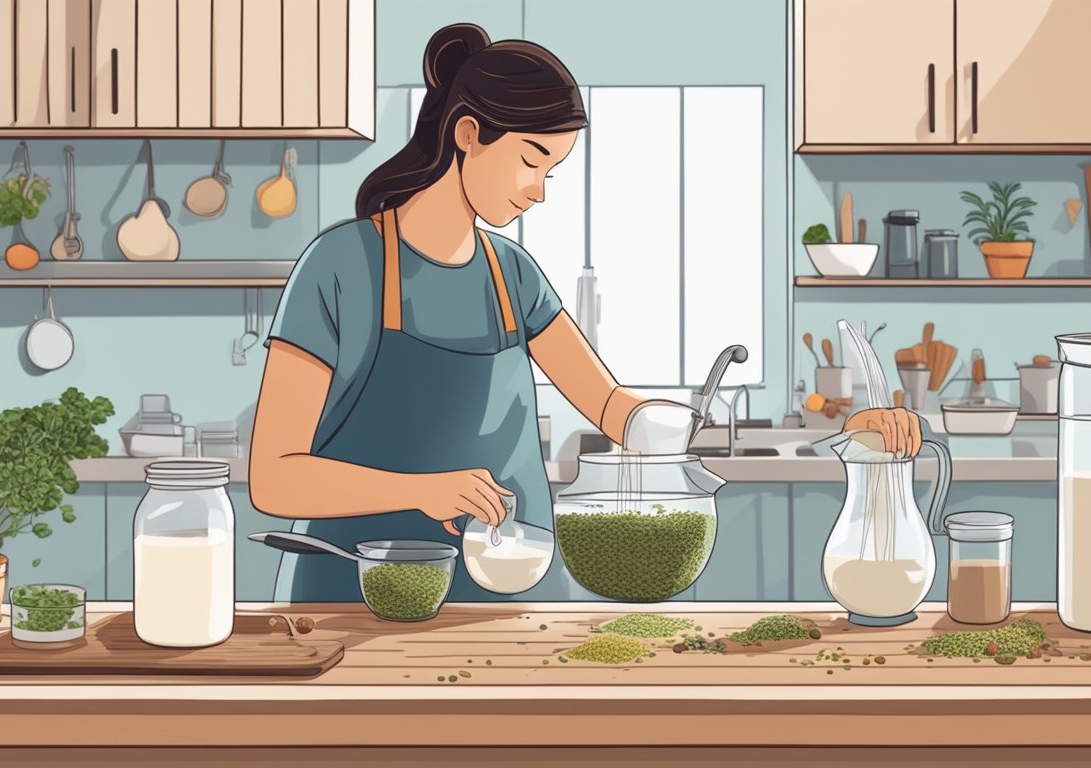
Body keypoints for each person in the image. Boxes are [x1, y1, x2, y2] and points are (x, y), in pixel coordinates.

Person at [249, 23, 920, 601]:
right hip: (359, 598)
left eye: (553, 172)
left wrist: (846, 434)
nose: (539, 192)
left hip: (508, 585)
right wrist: (420, 490)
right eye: (531, 162)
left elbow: (617, 412)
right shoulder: (342, 267)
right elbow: (274, 478)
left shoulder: (512, 275)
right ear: (468, 134)